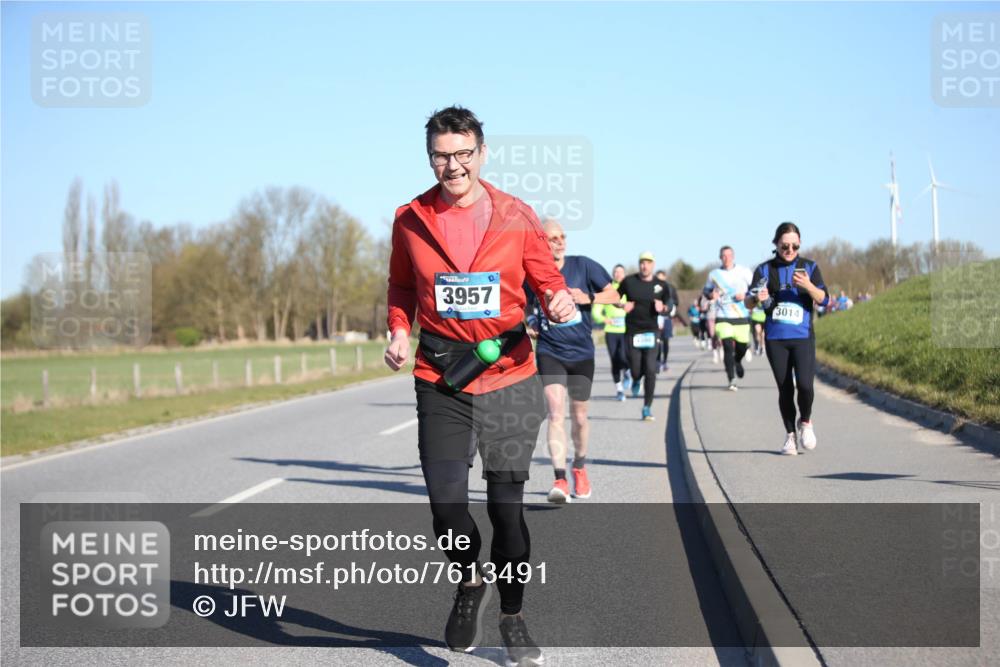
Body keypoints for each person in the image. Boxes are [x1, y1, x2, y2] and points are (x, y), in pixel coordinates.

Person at [385, 106, 575, 665]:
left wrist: (559, 299)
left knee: (506, 511)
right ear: (430, 157)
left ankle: (513, 616)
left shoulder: (516, 215)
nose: (453, 165)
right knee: (446, 506)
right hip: (440, 376)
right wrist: (399, 330)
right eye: (442, 155)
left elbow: (547, 280)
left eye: (463, 153)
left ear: (482, 153)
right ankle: (470, 581)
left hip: (510, 376)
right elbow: (400, 285)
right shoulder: (410, 218)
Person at [525, 220, 618, 503]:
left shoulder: (584, 265)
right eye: (553, 238)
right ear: (542, 241)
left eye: (563, 237)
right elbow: (522, 306)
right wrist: (530, 323)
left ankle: (579, 466)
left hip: (581, 353)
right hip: (550, 350)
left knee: (579, 416)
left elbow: (614, 295)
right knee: (555, 413)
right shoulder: (532, 272)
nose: (560, 242)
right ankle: (560, 479)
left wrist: (588, 297)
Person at [745, 221, 830, 456]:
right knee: (784, 388)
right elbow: (747, 302)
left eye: (794, 246)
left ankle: (806, 422)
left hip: (802, 336)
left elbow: (824, 298)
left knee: (805, 385)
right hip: (776, 338)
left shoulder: (809, 267)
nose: (790, 251)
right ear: (776, 244)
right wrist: (756, 298)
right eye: (785, 246)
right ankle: (790, 435)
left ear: (800, 244)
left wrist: (809, 286)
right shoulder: (764, 270)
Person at [617, 252, 670, 420]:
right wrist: (622, 304)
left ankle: (647, 407)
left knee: (651, 369)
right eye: (642, 263)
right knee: (635, 368)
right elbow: (615, 297)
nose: (644, 266)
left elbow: (670, 304)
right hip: (633, 330)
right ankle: (635, 379)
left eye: (648, 263)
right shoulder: (629, 282)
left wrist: (663, 307)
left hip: (652, 330)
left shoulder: (661, 285)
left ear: (653, 265)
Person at [703, 246, 754, 391]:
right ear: (720, 258)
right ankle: (731, 379)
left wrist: (745, 294)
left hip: (741, 315)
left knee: (742, 347)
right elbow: (706, 290)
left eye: (729, 255)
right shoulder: (714, 274)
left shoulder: (744, 272)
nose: (727, 258)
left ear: (733, 256)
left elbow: (755, 288)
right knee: (726, 347)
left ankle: (737, 361)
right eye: (724, 256)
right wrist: (711, 295)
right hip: (723, 315)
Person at [592, 264, 631, 401]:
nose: (618, 274)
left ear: (625, 274)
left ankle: (627, 372)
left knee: (625, 357)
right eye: (616, 272)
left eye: (621, 272)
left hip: (627, 330)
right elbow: (595, 312)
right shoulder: (608, 290)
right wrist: (604, 319)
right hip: (611, 331)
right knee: (615, 360)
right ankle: (619, 389)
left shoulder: (630, 288)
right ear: (613, 274)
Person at [653, 270, 679, 373]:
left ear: (665, 278)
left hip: (667, 317)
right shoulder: (653, 288)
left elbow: (676, 301)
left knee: (666, 341)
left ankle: (665, 362)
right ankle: (658, 362)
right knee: (657, 341)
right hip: (656, 317)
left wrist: (671, 308)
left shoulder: (670, 288)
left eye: (662, 278)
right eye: (658, 278)